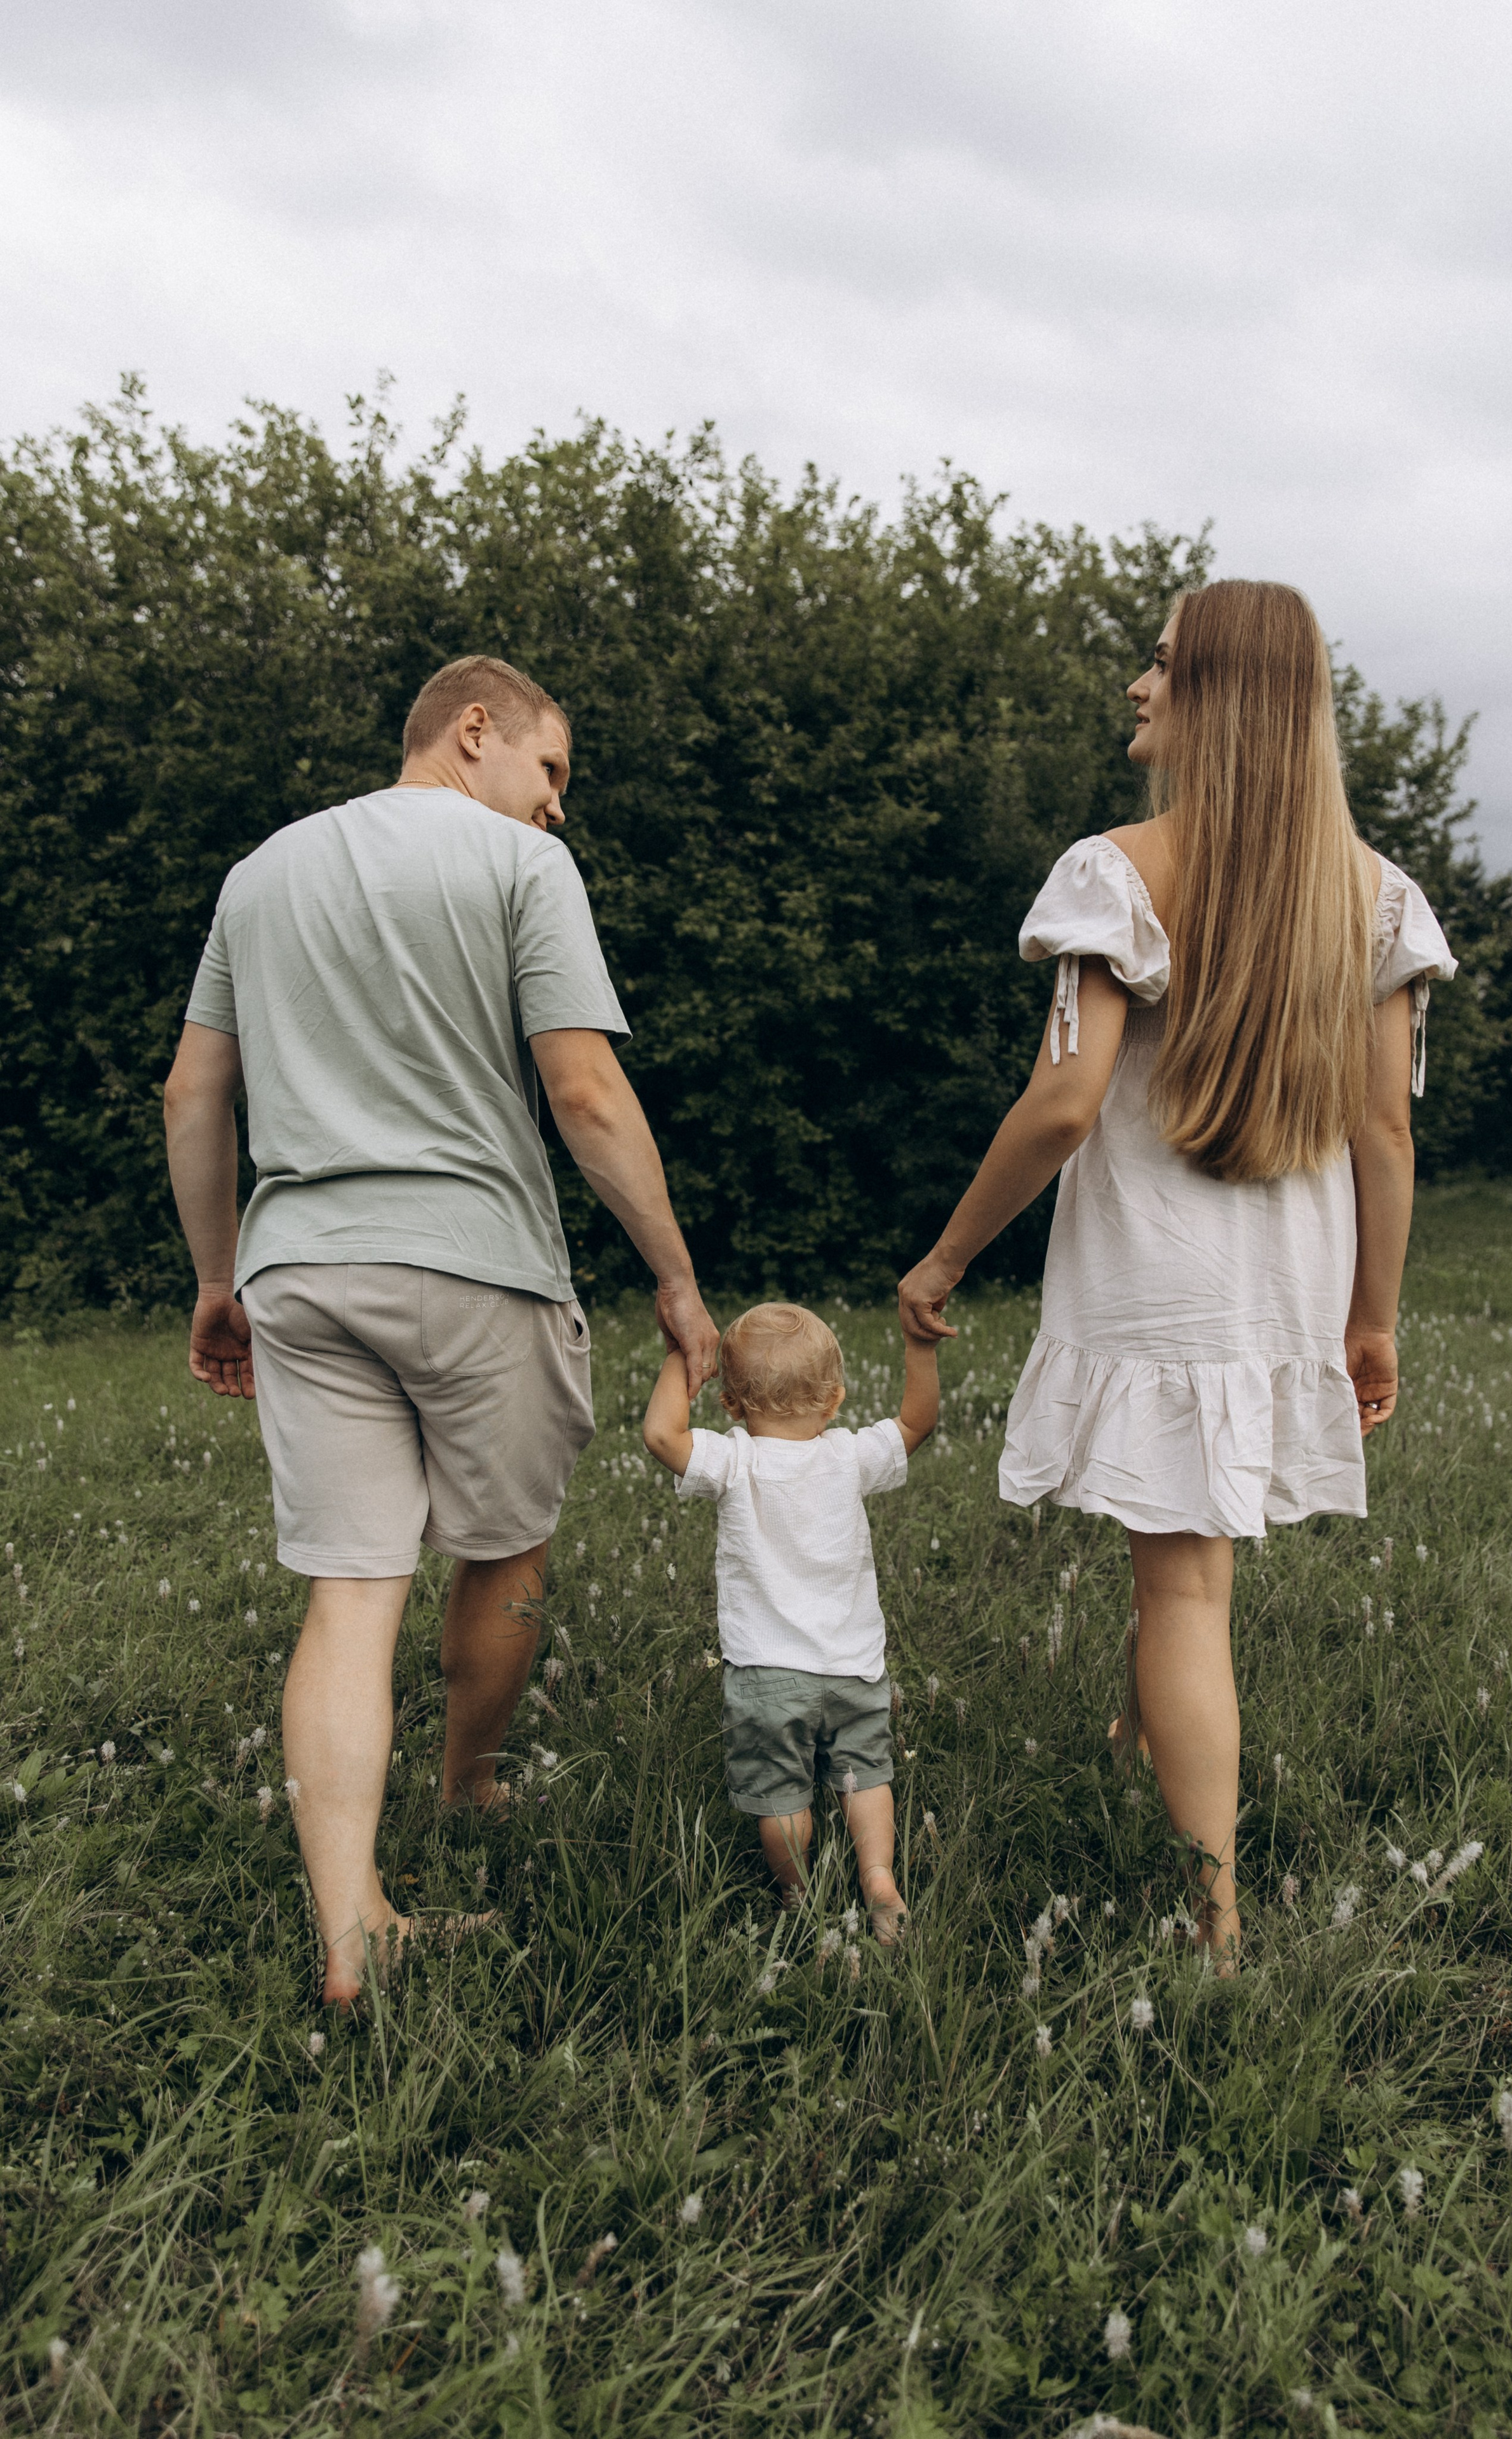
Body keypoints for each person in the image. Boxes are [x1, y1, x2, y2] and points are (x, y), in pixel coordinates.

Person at [897, 580, 1455, 1968]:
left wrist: (945, 1254)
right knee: (1194, 1553)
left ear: (1213, 695)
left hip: (1157, 1283)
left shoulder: (1116, 870)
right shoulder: (1376, 897)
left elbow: (1060, 1105)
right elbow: (1384, 1129)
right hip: (1279, 1292)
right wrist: (1367, 1319)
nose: (1135, 688)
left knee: (1181, 1592)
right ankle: (1142, 1720)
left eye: (1157, 665)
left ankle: (1212, 1916)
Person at [164, 654, 717, 2005]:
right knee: (505, 1546)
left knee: (349, 1599)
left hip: (302, 1269)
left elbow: (193, 1092)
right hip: (480, 1267)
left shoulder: (260, 875)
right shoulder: (520, 872)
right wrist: (677, 1279)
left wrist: (218, 1278)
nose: (557, 808)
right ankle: (469, 1785)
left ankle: (351, 1927)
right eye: (551, 772)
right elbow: (583, 1094)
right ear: (475, 732)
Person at [642, 1303, 939, 1940]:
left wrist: (677, 1357)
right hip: (854, 1665)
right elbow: (918, 1419)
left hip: (767, 1671)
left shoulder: (734, 1459)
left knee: (782, 1795)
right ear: (835, 1398)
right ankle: (879, 1879)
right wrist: (920, 1346)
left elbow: (663, 1437)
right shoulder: (850, 1455)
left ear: (730, 1402)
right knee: (865, 1777)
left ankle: (797, 1896)